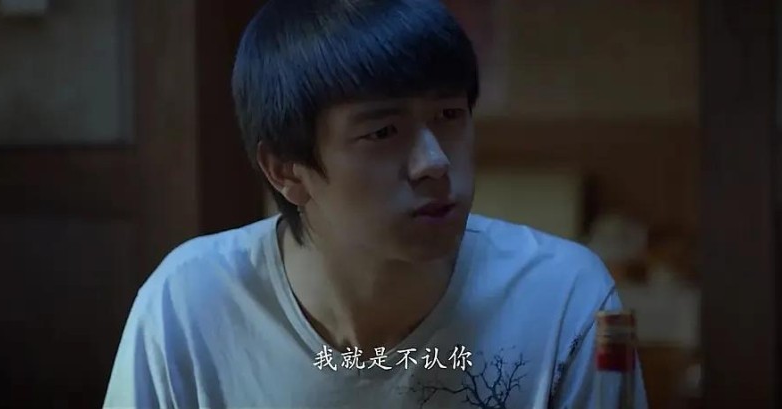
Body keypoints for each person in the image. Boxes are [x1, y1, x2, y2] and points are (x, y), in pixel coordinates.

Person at [103, 0, 648, 408]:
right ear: (285, 170)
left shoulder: (564, 300)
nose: (434, 162)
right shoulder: (188, 305)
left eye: (450, 116)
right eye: (383, 132)